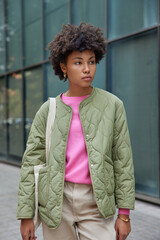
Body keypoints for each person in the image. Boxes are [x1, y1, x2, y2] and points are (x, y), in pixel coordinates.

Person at [17, 23, 135, 240]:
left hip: (97, 202)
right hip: (56, 202)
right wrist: (26, 215)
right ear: (63, 67)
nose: (87, 69)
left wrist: (124, 214)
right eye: (78, 63)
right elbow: (30, 163)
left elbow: (123, 161)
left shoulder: (113, 105)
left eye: (91, 62)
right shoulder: (48, 110)